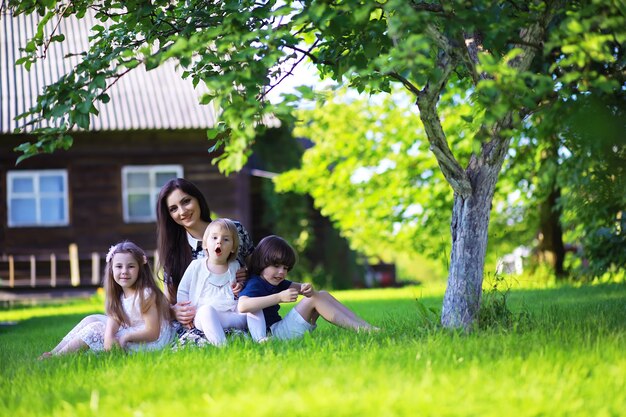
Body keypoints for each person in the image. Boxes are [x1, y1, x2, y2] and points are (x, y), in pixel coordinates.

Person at [156, 178, 254, 347]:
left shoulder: (233, 229)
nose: (182, 211)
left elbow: (259, 270)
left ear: (198, 199)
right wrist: (174, 311)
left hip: (236, 312)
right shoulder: (173, 251)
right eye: (173, 209)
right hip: (199, 322)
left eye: (186, 201)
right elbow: (169, 300)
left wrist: (247, 275)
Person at [40, 241, 173, 357]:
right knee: (91, 319)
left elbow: (153, 332)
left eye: (131, 266)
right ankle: (53, 352)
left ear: (140, 269)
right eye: (119, 266)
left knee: (96, 328)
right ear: (111, 269)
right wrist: (109, 337)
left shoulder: (145, 294)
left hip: (152, 341)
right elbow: (114, 320)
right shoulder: (119, 294)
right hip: (134, 330)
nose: (124, 271)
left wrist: (125, 336)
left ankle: (58, 357)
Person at [238, 235, 377, 340]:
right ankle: (361, 329)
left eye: (285, 268)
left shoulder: (277, 282)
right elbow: (242, 306)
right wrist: (279, 297)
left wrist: (307, 288)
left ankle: (365, 327)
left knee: (321, 294)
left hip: (279, 330)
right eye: (276, 266)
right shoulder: (255, 283)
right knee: (313, 299)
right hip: (272, 336)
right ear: (262, 263)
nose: (282, 272)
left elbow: (302, 289)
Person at [177, 218, 266, 345]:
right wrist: (186, 315)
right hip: (205, 316)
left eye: (226, 239)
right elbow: (183, 291)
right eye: (214, 238)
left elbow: (239, 289)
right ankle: (221, 344)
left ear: (233, 248)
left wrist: (240, 287)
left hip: (231, 315)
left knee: (252, 304)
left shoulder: (235, 266)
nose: (219, 242)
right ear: (205, 243)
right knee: (206, 311)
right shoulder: (196, 266)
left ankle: (260, 338)